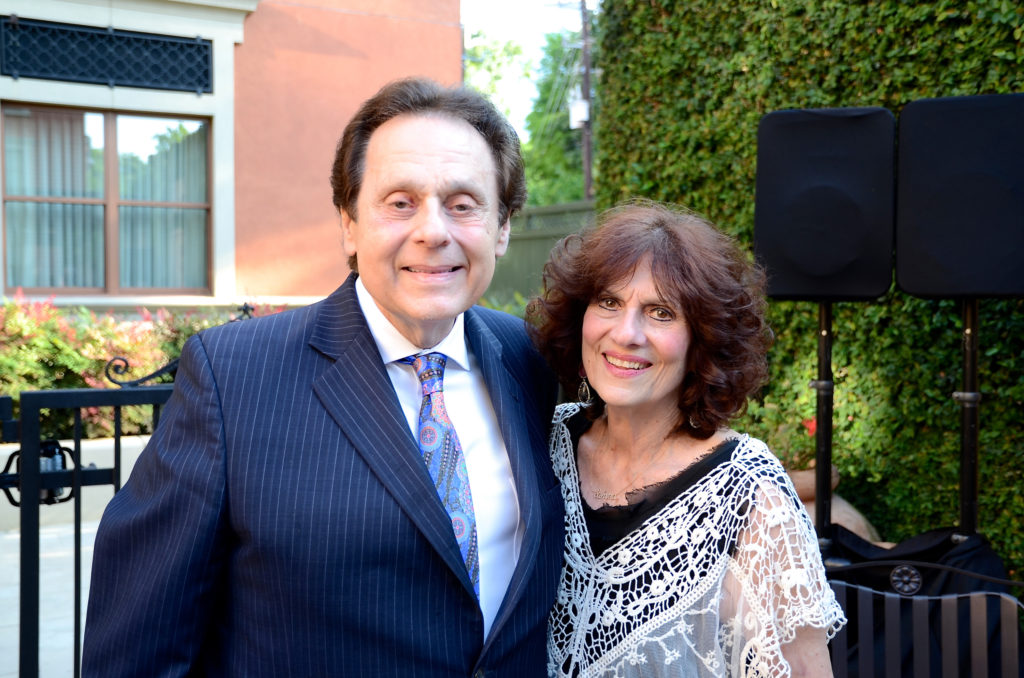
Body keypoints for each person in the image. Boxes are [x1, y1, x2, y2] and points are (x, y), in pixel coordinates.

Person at [83, 78, 564, 677]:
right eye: (400, 202)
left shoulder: (534, 359)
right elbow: (138, 649)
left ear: (501, 228)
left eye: (464, 203)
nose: (433, 231)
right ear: (348, 223)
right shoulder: (233, 378)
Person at [528, 201, 845, 677]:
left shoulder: (747, 495)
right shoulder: (545, 444)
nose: (626, 333)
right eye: (609, 302)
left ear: (704, 340)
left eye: (660, 312)